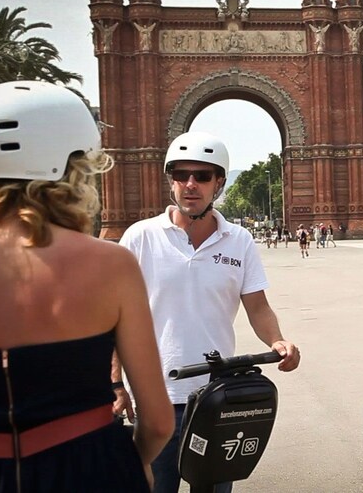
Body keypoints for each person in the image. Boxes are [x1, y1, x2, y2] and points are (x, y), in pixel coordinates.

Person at [0, 81, 173, 491]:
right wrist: (126, 463)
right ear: (71, 168)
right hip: (91, 466)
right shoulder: (111, 264)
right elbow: (156, 422)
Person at [114, 130, 301, 493]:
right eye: (181, 174)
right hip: (155, 398)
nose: (190, 184)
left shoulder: (239, 240)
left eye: (201, 176)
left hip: (217, 398)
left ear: (219, 182)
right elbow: (114, 317)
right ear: (170, 180)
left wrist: (278, 340)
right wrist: (115, 383)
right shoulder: (141, 237)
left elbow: (258, 307)